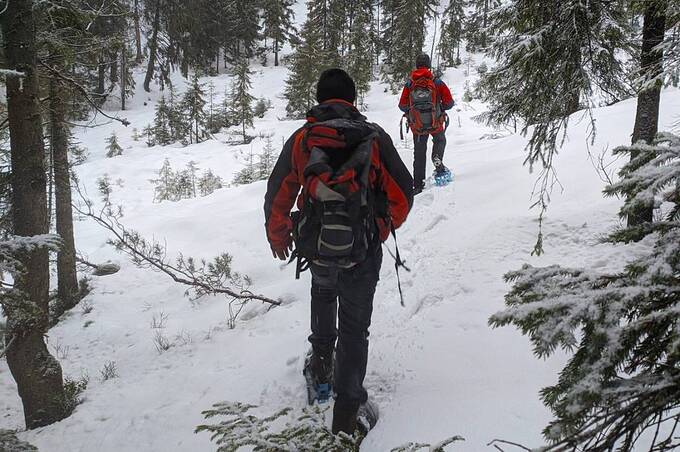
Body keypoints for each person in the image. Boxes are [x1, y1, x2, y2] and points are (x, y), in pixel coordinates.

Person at [264, 68, 413, 436]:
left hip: (318, 246)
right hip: (362, 249)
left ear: (318, 99)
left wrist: (280, 237)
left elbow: (278, 194)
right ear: (353, 99)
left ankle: (320, 370)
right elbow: (404, 194)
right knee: (354, 328)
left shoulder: (303, 139)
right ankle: (347, 418)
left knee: (323, 292)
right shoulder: (374, 137)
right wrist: (377, 229)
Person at [399, 53, 454, 194]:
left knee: (419, 153)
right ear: (429, 65)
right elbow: (449, 103)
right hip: (435, 123)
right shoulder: (437, 82)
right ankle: (437, 159)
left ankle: (418, 185)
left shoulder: (410, 83)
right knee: (440, 140)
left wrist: (413, 111)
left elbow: (402, 105)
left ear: (417, 65)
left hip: (417, 126)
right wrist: (439, 107)